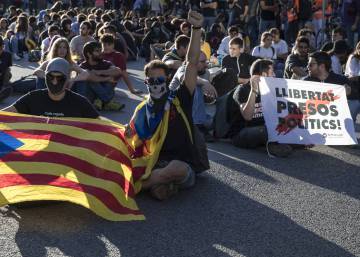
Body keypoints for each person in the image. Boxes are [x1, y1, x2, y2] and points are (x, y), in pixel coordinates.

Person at [134, 10, 207, 200]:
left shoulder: (179, 97)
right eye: (152, 80)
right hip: (154, 163)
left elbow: (190, 63)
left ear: (167, 79)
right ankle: (159, 183)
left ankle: (138, 186)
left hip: (183, 164)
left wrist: (196, 29)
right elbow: (131, 138)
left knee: (177, 169)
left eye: (160, 79)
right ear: (146, 83)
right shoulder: (143, 109)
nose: (156, 84)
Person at [231, 59, 293, 157]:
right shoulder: (242, 89)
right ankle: (273, 146)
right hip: (243, 132)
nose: (275, 76)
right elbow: (247, 116)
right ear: (264, 75)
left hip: (263, 129)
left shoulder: (271, 91)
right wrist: (254, 91)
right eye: (272, 73)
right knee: (268, 129)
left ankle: (277, 142)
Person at [2, 57, 99, 119]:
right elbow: (5, 114)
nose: (55, 82)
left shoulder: (80, 102)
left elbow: (103, 127)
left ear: (67, 79)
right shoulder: (33, 98)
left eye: (60, 78)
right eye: (50, 77)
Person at [304, 51, 358, 121]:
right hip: (314, 121)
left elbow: (356, 99)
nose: (307, 67)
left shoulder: (341, 81)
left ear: (322, 66)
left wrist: (349, 93)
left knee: (354, 102)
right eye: (308, 64)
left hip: (335, 122)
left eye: (311, 65)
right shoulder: (306, 82)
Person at [73, 41, 125, 111]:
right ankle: (107, 102)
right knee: (88, 79)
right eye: (97, 51)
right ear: (89, 54)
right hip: (89, 95)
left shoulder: (105, 63)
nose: (101, 53)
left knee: (107, 83)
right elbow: (87, 80)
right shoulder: (82, 66)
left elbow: (118, 71)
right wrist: (106, 78)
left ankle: (100, 101)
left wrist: (98, 72)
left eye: (101, 50)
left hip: (105, 91)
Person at [0, 36, 13, 102]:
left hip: (2, 77)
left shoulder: (7, 55)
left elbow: (8, 68)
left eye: (1, 48)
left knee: (8, 72)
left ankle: (3, 88)